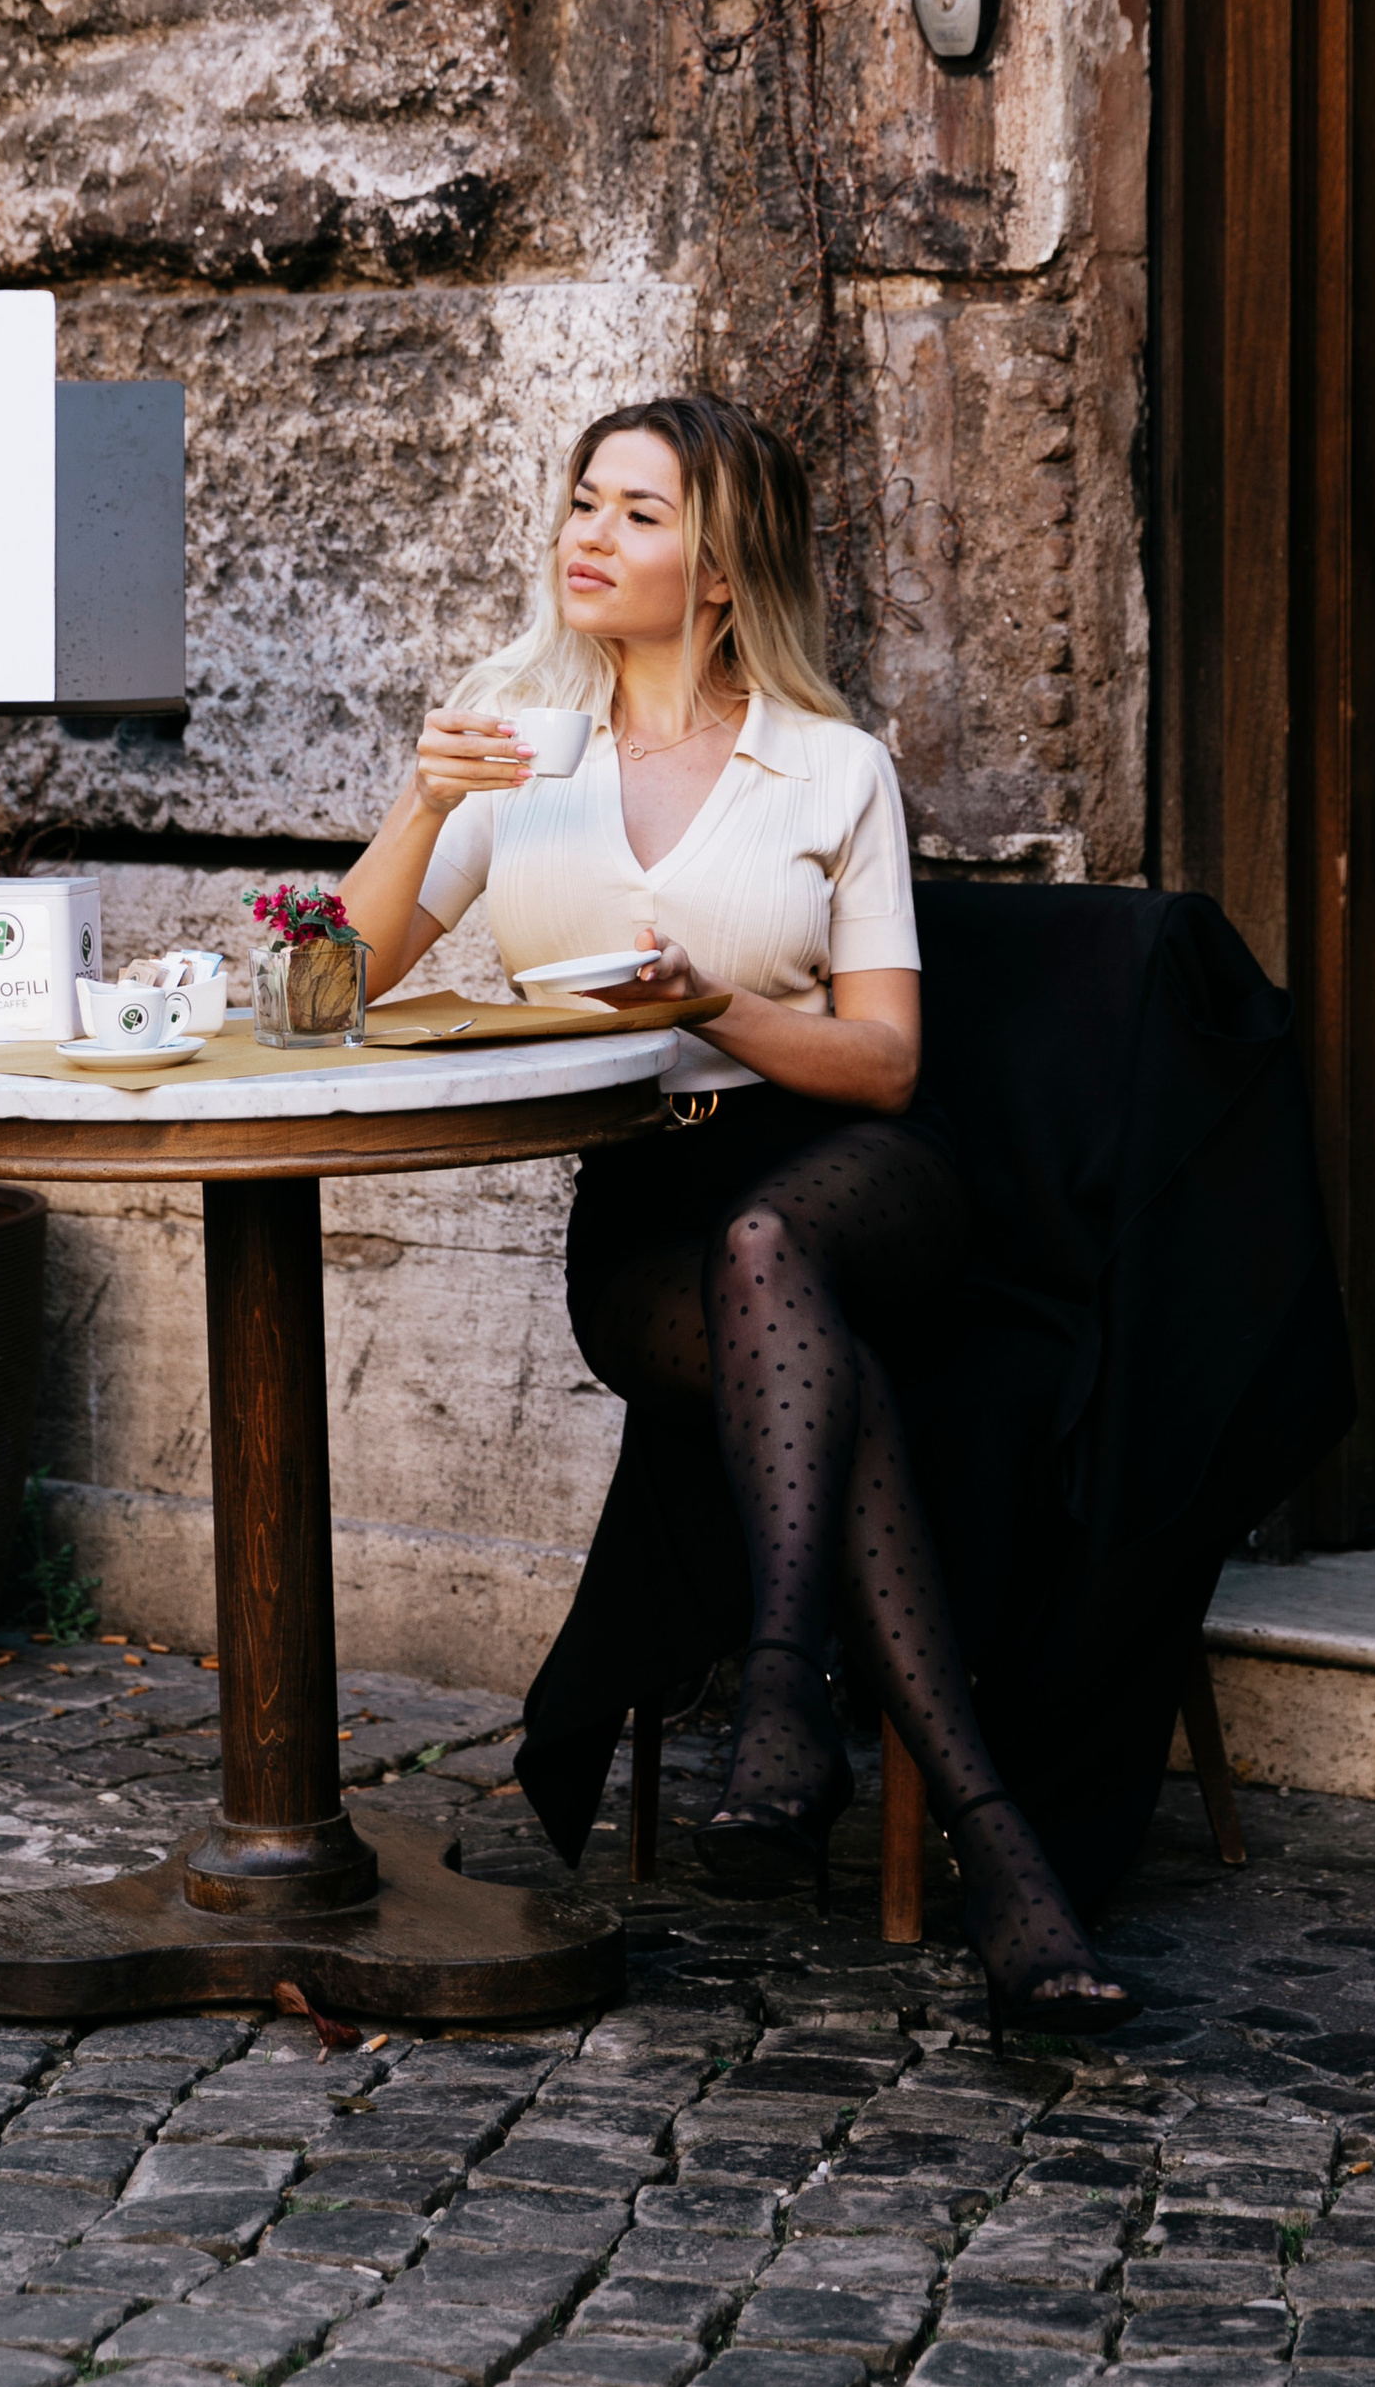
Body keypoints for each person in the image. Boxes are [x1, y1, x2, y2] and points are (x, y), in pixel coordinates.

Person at [340, 392, 1133, 2034]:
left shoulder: (828, 766)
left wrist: (714, 999)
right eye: (581, 500)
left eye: (636, 512)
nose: (587, 533)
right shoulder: (514, 737)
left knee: (773, 1248)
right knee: (768, 1313)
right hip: (646, 1197)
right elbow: (332, 980)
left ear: (719, 566)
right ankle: (992, 1850)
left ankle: (786, 1690)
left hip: (843, 1172)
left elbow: (890, 1061)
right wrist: (422, 802)